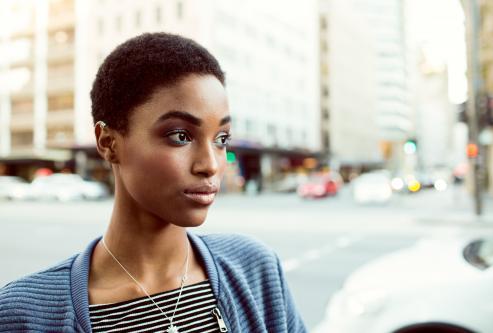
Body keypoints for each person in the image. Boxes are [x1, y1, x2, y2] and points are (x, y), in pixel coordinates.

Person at [0, 33, 307, 333]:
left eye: (221, 139)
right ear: (108, 143)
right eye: (180, 136)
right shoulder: (23, 315)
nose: (211, 165)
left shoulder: (254, 269)